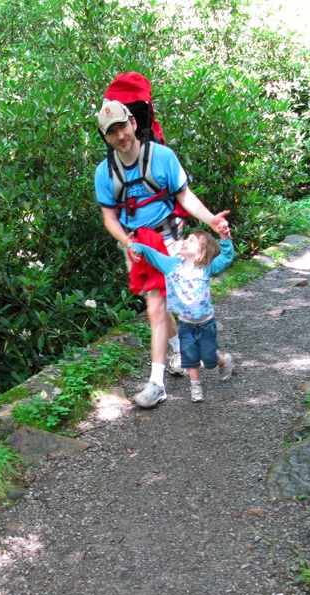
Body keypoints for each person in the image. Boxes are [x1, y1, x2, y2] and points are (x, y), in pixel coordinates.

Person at [94, 99, 230, 408]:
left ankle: (157, 384)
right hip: (137, 245)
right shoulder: (105, 173)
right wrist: (127, 243)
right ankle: (200, 356)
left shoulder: (163, 157)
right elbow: (109, 218)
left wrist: (211, 220)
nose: (120, 136)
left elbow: (184, 195)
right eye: (111, 132)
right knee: (164, 308)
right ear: (106, 137)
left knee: (157, 307)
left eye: (122, 126)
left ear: (133, 123)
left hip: (170, 239)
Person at [128, 223, 234, 404]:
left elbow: (226, 257)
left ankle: (223, 361)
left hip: (206, 323)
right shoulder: (171, 265)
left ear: (201, 253)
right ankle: (195, 385)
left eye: (192, 241)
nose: (185, 241)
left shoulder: (207, 268)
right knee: (190, 358)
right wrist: (135, 247)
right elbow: (153, 255)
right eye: (186, 238)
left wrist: (225, 238)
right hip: (185, 324)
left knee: (209, 357)